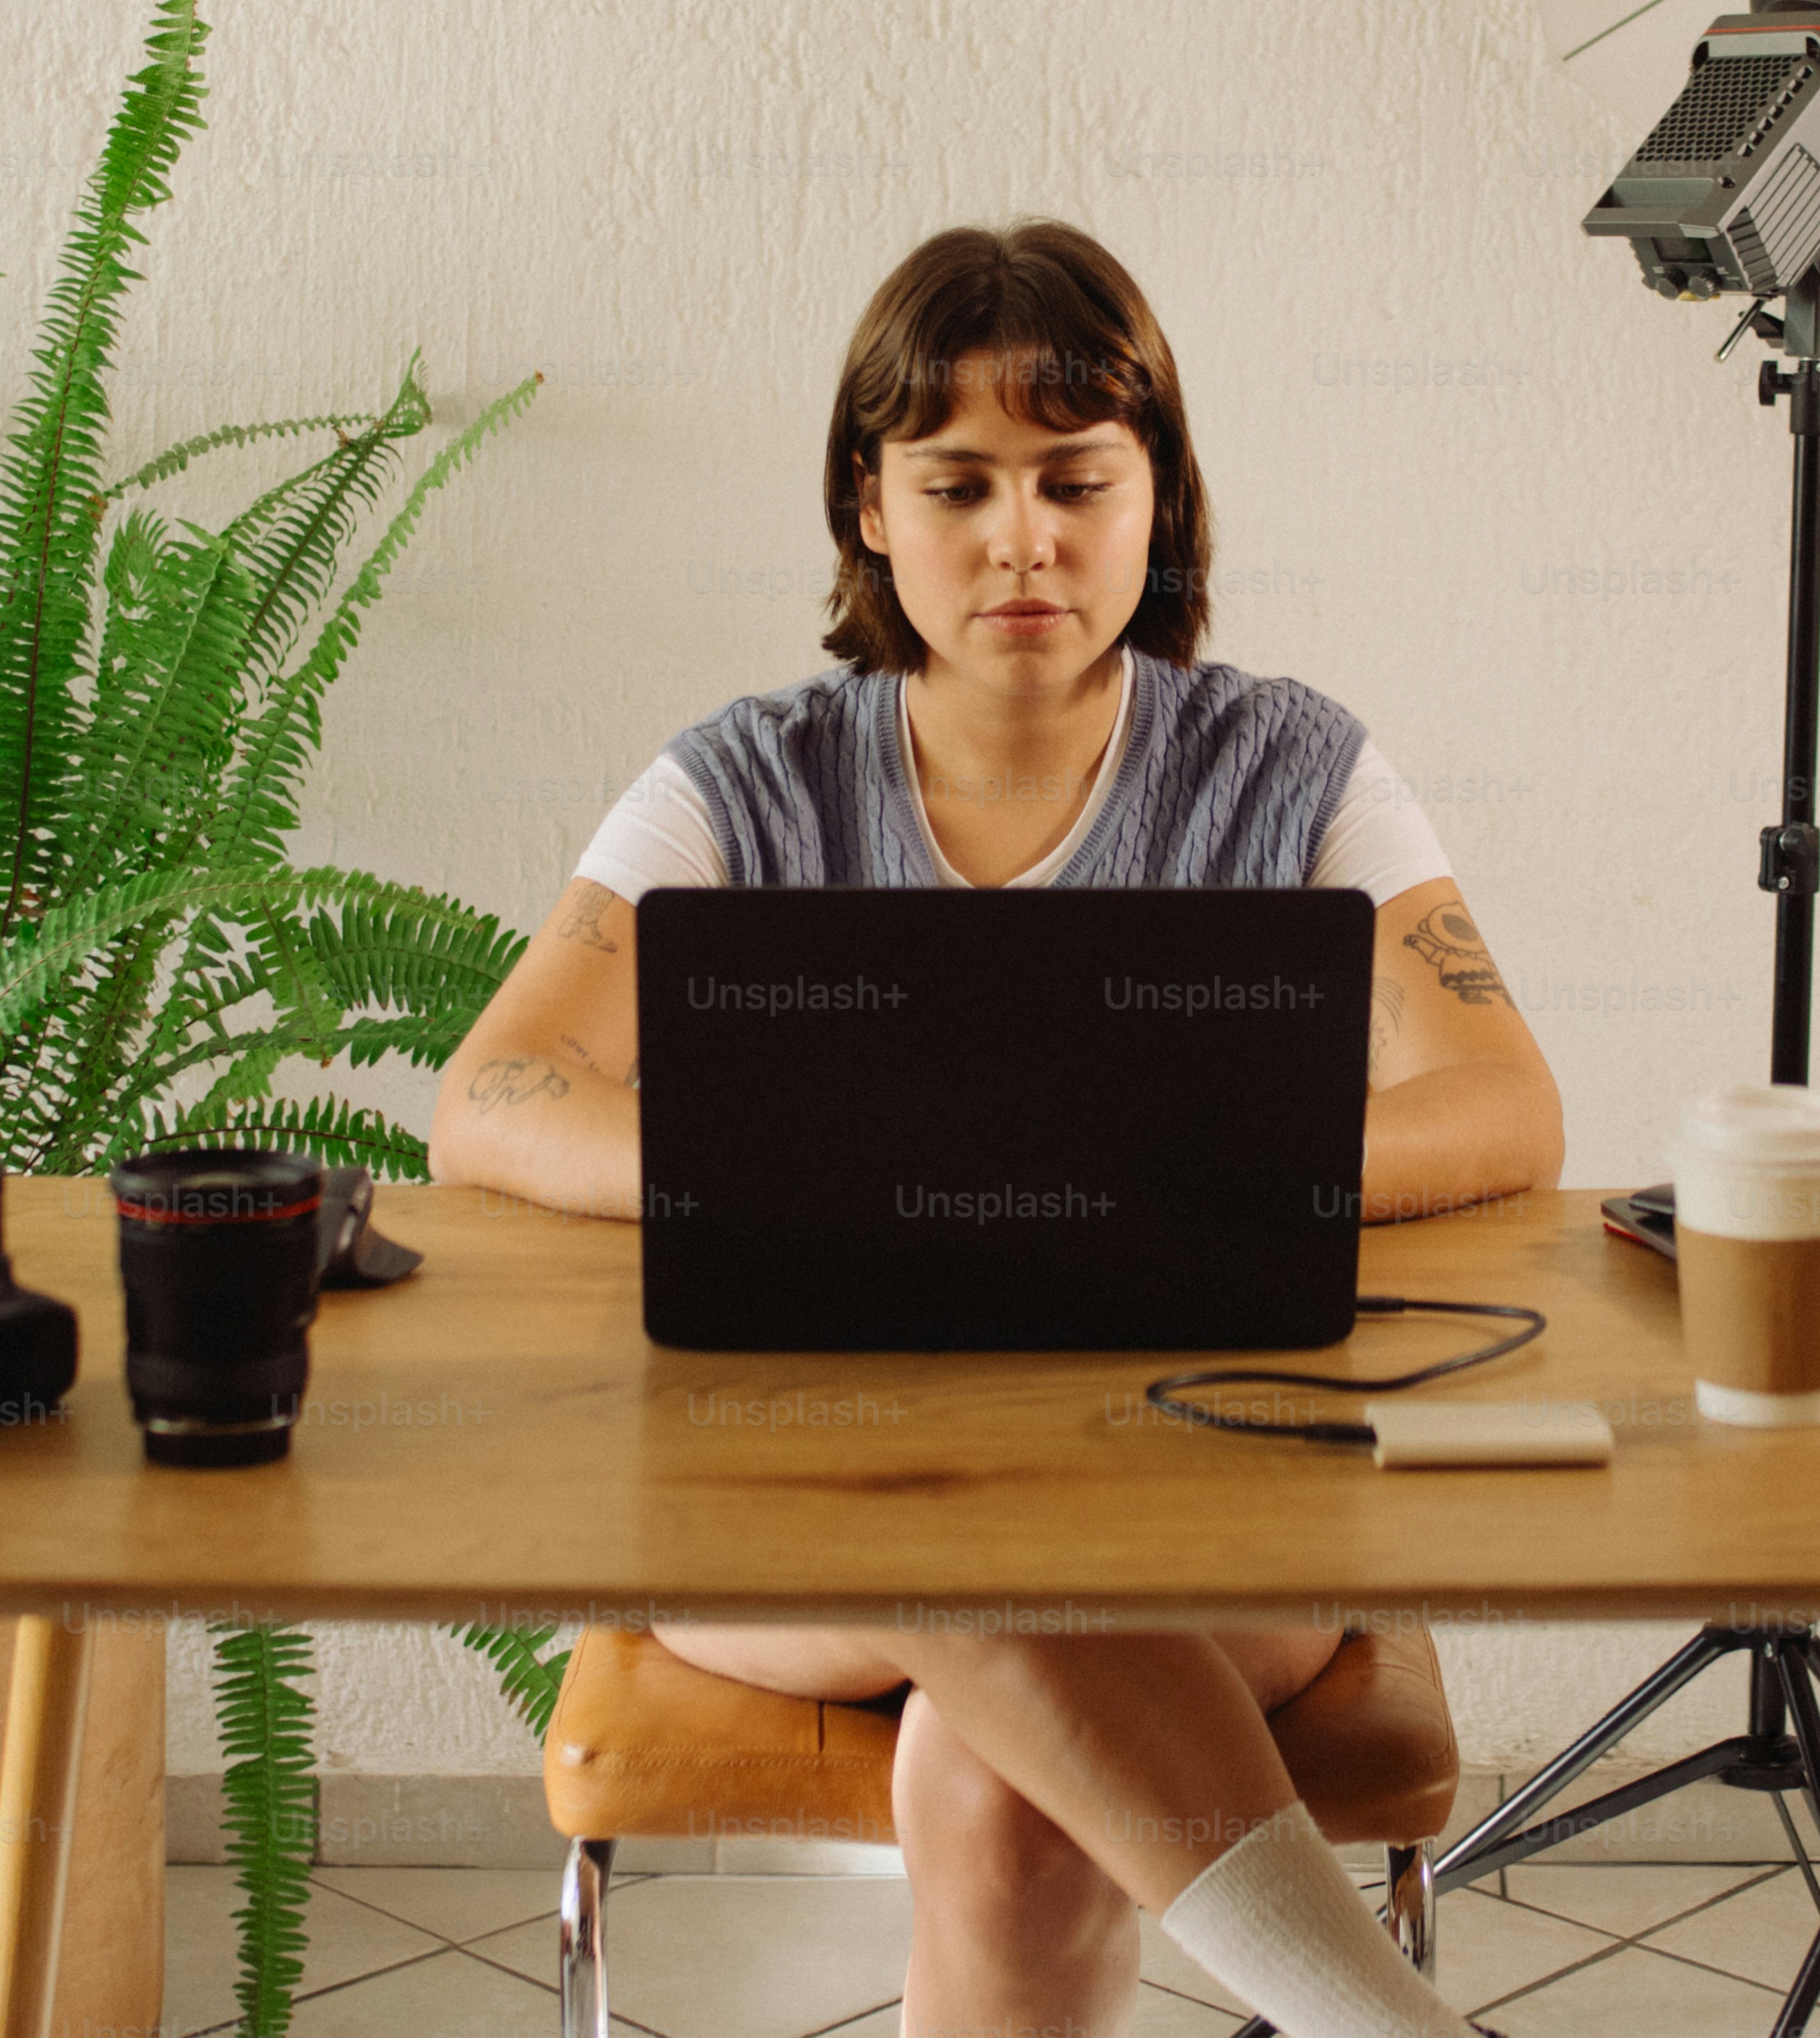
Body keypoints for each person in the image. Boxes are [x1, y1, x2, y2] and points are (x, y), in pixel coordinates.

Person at [431, 218, 1560, 2038]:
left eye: (1072, 480)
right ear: (866, 506)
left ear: (1152, 501)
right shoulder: (742, 777)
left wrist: (1189, 1194)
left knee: (1000, 1793)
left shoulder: (1293, 765)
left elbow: (1506, 1101)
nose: (1019, 537)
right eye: (956, 482)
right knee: (957, 1541)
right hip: (797, 1516)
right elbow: (487, 1098)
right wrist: (796, 1191)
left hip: (1202, 1505)